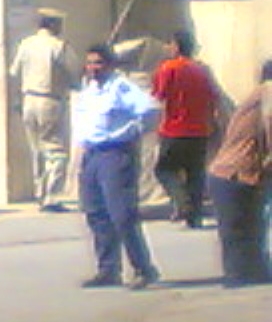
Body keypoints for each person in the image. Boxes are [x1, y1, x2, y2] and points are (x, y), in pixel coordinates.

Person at [74, 43, 162, 290]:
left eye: (98, 63)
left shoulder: (121, 87)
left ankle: (144, 269)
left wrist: (134, 133)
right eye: (90, 63)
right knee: (95, 212)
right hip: (91, 154)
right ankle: (108, 269)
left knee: (121, 214)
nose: (93, 68)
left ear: (110, 65)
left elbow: (150, 108)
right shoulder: (89, 89)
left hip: (114, 154)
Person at [206, 60, 272, 286]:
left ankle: (251, 272)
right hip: (234, 172)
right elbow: (270, 119)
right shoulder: (268, 90)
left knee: (249, 226)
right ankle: (238, 275)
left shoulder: (255, 96)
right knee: (238, 228)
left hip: (236, 173)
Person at [9, 8, 81, 211]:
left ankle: (39, 192)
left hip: (28, 100)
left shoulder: (26, 44)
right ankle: (51, 196)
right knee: (56, 151)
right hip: (50, 100)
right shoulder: (59, 46)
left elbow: (15, 73)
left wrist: (18, 99)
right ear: (53, 25)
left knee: (37, 150)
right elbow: (74, 74)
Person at [151, 29, 224, 228]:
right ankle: (195, 216)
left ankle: (183, 202)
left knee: (164, 169)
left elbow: (158, 95)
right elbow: (214, 96)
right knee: (195, 173)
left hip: (174, 128)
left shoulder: (168, 68)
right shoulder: (202, 70)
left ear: (175, 45)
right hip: (200, 130)